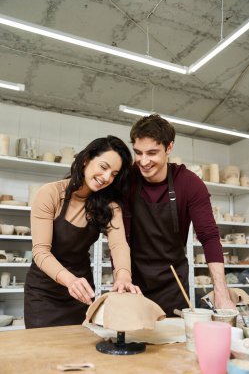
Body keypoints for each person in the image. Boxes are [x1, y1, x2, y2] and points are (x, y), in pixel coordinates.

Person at [124, 114, 235, 317]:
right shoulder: (127, 179)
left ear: (169, 148)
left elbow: (209, 237)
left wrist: (222, 294)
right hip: (133, 280)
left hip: (173, 285)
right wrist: (120, 276)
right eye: (138, 153)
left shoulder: (189, 183)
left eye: (152, 153)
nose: (144, 161)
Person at [24, 135, 140, 328]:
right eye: (103, 167)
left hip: (82, 294)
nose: (106, 178)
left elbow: (119, 244)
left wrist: (123, 276)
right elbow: (40, 252)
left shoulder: (109, 206)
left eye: (114, 174)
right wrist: (70, 281)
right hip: (44, 294)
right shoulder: (51, 194)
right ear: (86, 160)